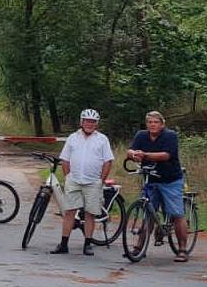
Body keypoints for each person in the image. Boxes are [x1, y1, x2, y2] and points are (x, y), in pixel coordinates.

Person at [126, 110, 192, 262]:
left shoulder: (170, 136)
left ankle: (182, 249)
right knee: (147, 211)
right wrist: (133, 154)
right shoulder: (141, 135)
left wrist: (145, 155)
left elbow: (166, 155)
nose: (152, 125)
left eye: (156, 122)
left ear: (162, 124)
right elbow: (131, 150)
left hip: (170, 180)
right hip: (151, 179)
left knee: (176, 213)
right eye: (150, 122)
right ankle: (139, 246)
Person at [53, 108, 112, 256]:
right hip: (74, 180)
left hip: (93, 182)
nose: (89, 124)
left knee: (90, 213)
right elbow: (65, 159)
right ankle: (64, 244)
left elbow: (108, 161)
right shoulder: (73, 138)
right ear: (81, 122)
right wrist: (67, 177)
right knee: (69, 212)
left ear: (96, 124)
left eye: (93, 122)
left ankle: (88, 244)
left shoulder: (102, 139)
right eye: (87, 121)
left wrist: (101, 180)